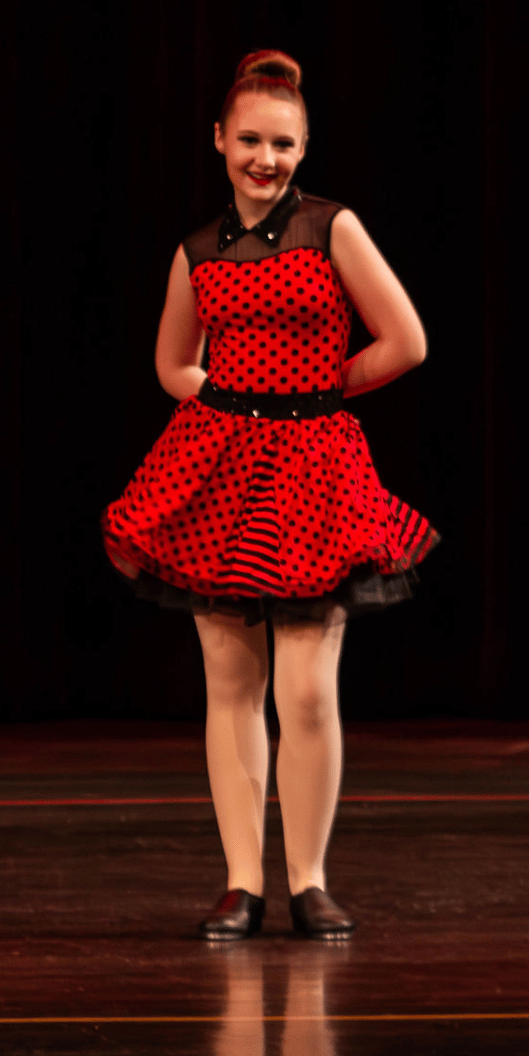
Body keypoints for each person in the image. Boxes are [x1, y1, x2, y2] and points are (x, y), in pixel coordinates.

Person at [102, 49, 439, 941]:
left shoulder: (333, 228)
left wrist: (315, 393)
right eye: (249, 139)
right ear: (219, 140)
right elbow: (175, 364)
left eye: (282, 143)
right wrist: (228, 407)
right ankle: (243, 883)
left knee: (309, 691)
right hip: (218, 467)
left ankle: (311, 880)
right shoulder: (198, 249)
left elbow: (405, 341)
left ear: (304, 145)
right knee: (230, 683)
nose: (265, 157)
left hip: (314, 466)